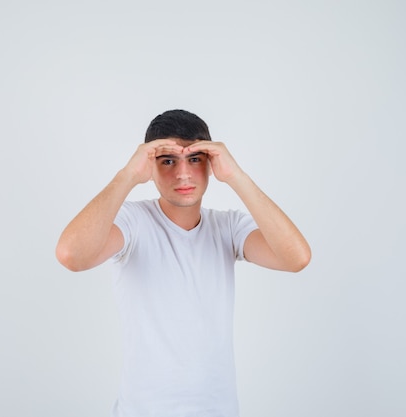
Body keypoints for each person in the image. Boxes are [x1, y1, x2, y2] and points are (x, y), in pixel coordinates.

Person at [56, 109, 311, 417]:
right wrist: (127, 175)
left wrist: (236, 176)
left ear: (210, 162)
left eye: (194, 159)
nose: (183, 174)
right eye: (167, 161)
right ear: (150, 166)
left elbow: (297, 258)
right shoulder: (134, 222)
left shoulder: (227, 227)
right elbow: (72, 255)